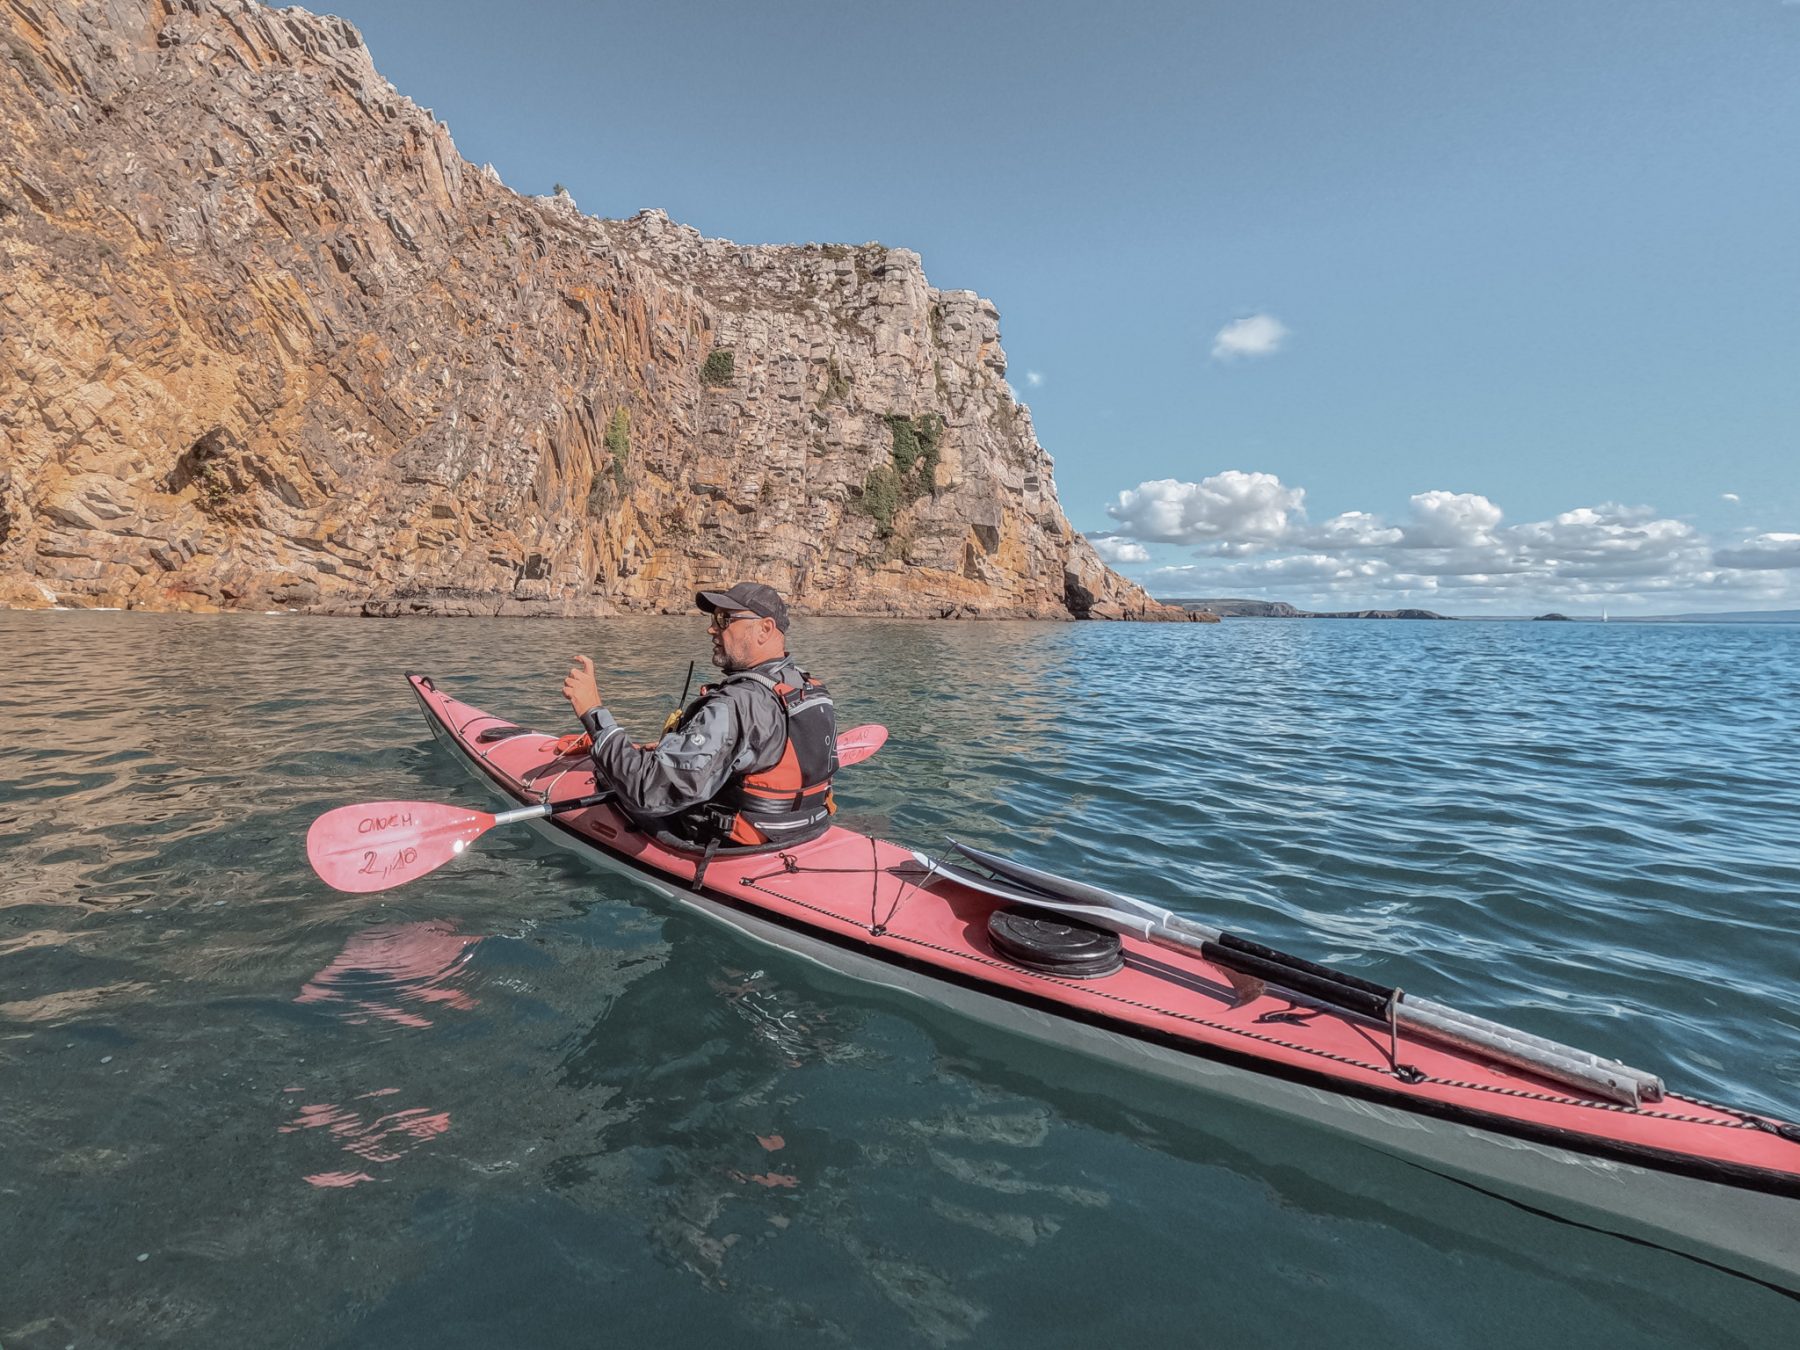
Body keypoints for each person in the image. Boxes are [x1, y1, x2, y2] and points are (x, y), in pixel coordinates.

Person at [560, 582, 838, 859]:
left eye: (723, 619)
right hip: (804, 830)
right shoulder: (811, 689)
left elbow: (648, 791)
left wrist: (594, 713)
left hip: (740, 847)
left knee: (611, 781)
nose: (712, 628)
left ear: (765, 629)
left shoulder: (734, 704)